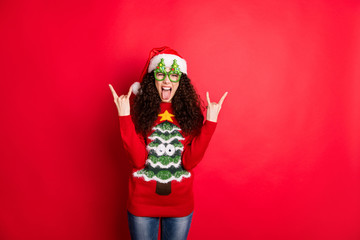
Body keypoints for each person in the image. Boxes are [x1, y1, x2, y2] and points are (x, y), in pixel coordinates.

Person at [109, 47, 227, 240]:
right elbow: (138, 161)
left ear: (181, 80)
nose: (166, 80)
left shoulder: (190, 114)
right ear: (152, 79)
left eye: (173, 75)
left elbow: (188, 162)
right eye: (161, 74)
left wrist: (210, 124)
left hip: (180, 206)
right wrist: (124, 116)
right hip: (142, 204)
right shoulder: (140, 111)